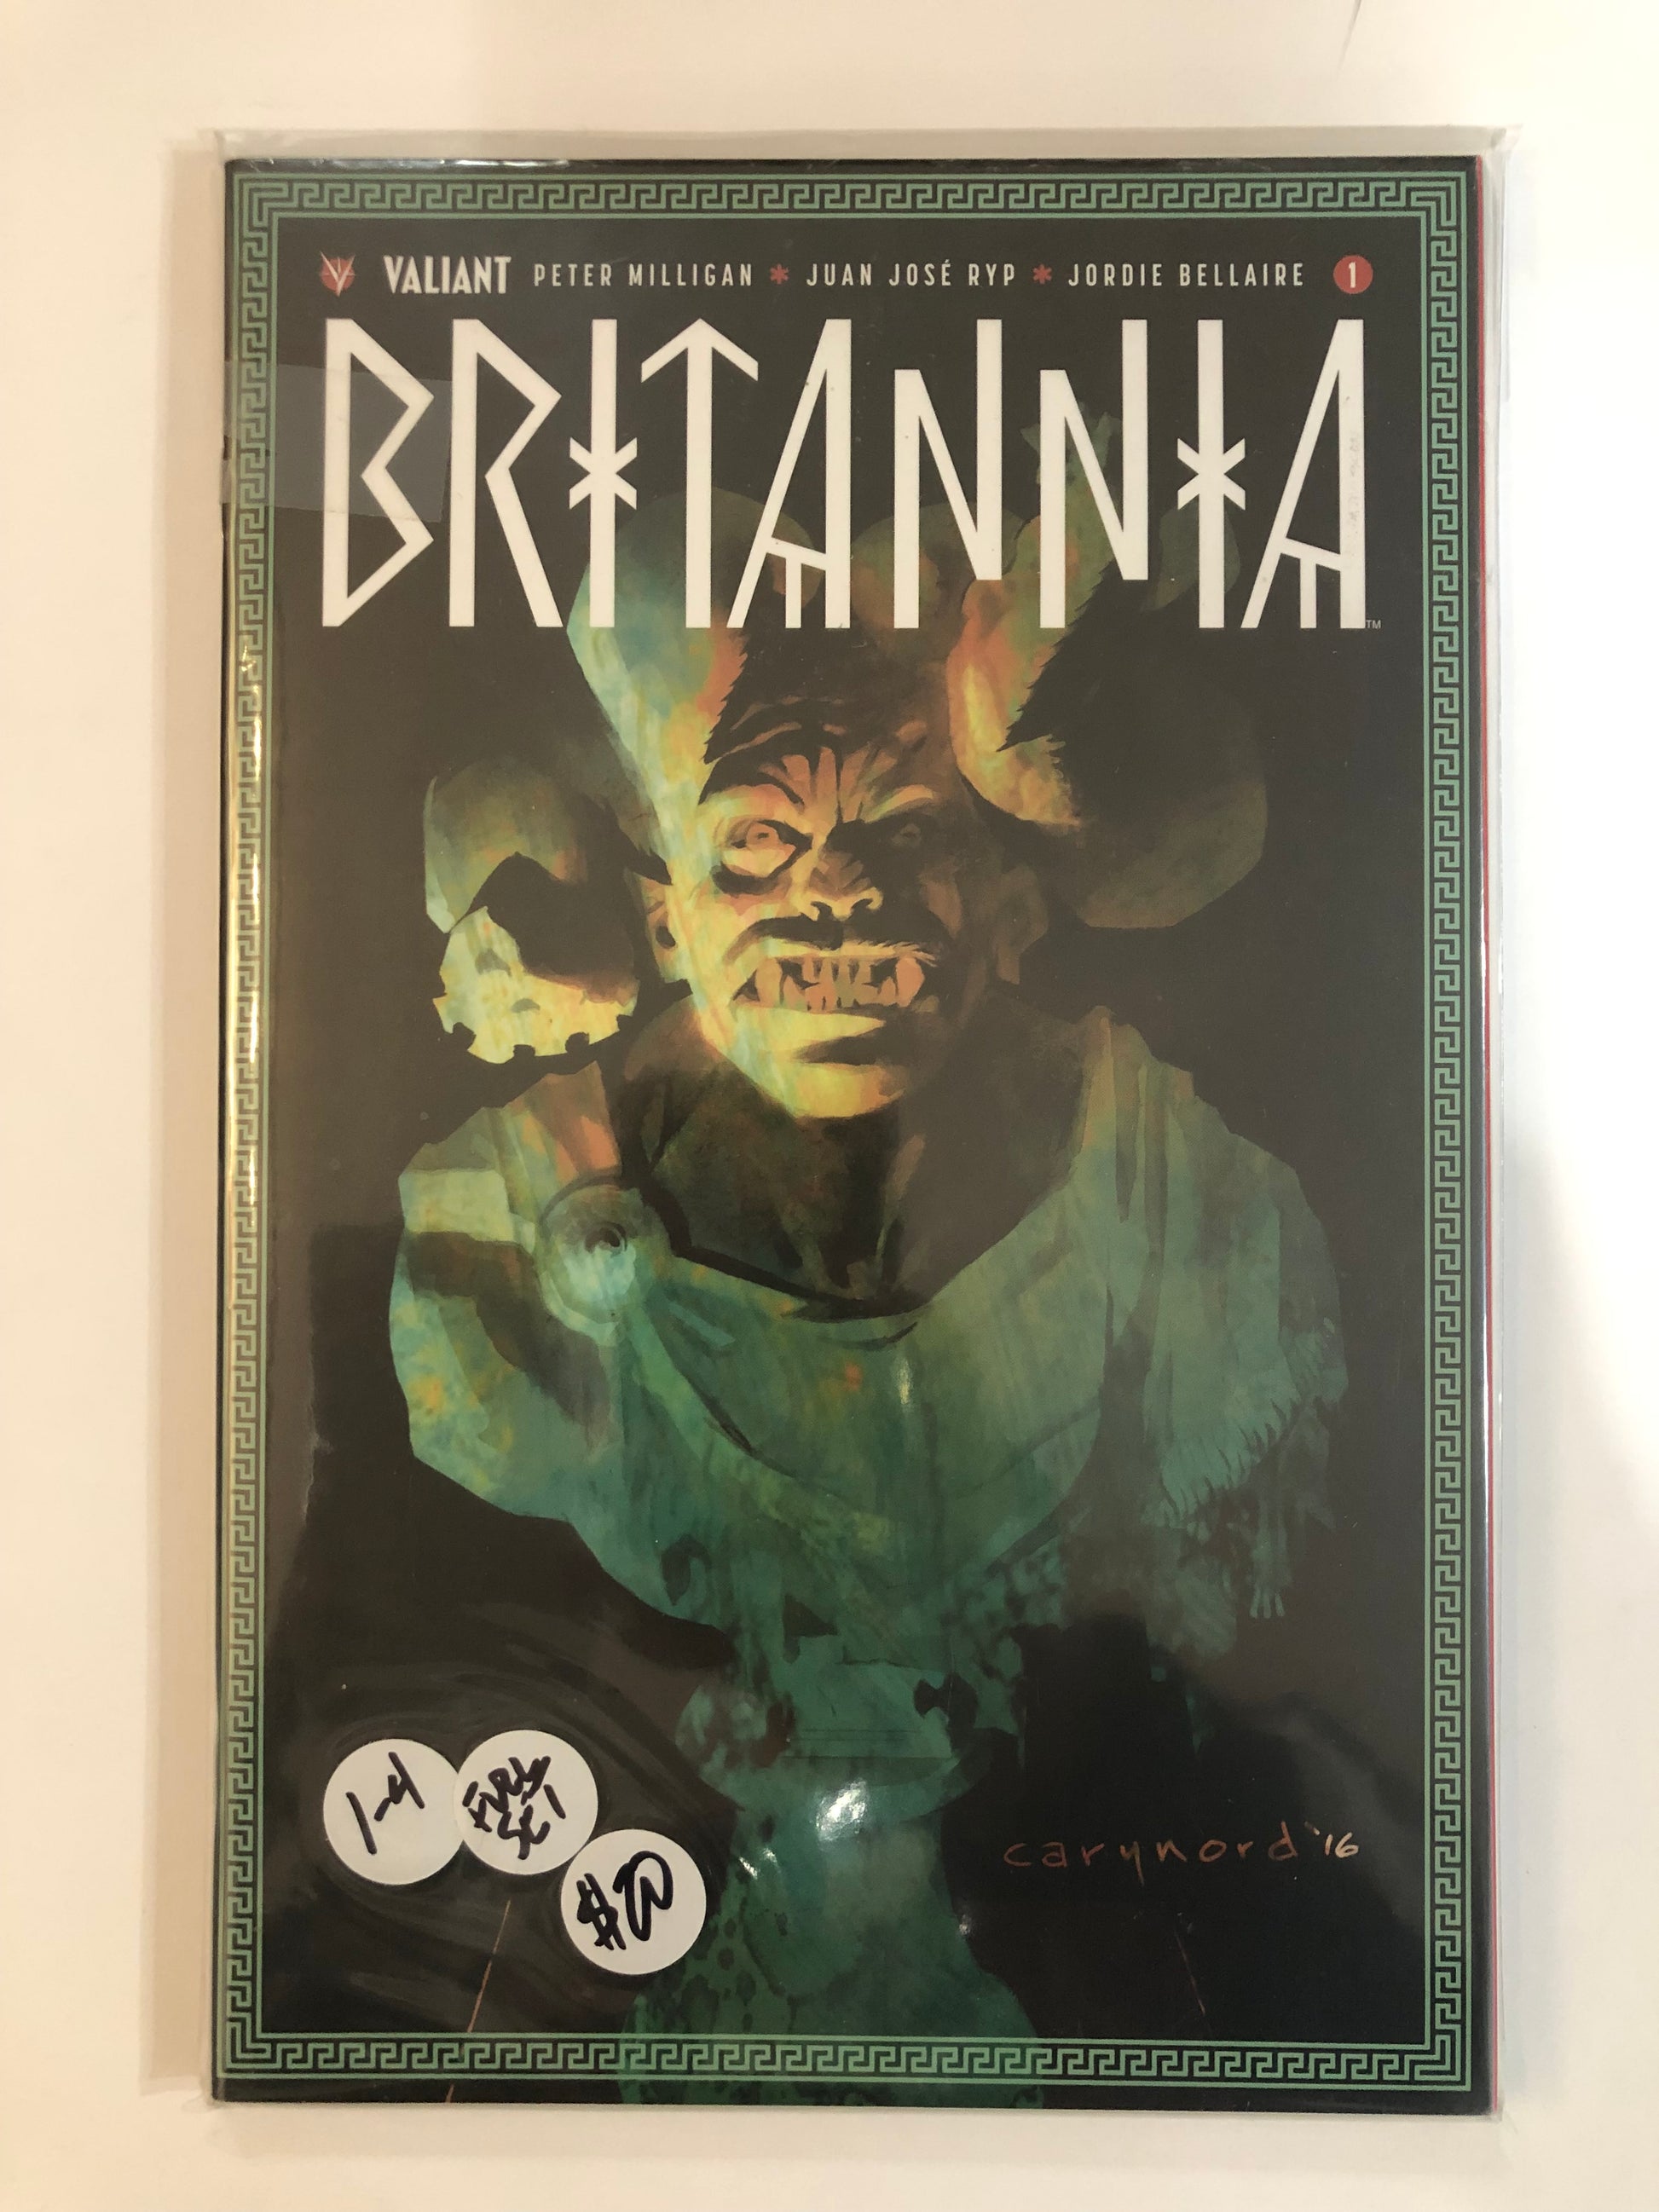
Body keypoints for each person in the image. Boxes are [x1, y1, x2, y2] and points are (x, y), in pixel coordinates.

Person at [387, 484, 1347, 2057]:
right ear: (667, 919)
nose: (836, 894)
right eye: (759, 844)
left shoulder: (1185, 1205)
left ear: (1013, 905)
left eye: (905, 835)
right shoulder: (492, 1243)